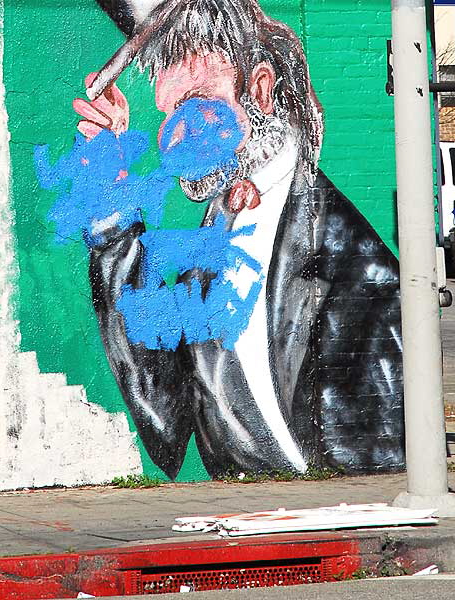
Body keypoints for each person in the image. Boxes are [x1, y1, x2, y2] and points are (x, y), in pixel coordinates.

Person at [61, 0, 405, 479]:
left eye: (193, 102)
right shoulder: (218, 229)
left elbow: (374, 456)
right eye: (167, 112)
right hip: (246, 509)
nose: (172, 133)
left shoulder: (360, 269)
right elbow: (167, 414)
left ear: (260, 91)